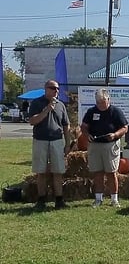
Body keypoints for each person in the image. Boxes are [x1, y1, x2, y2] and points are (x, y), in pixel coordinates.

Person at [80, 88, 128, 208]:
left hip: (110, 145)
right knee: (97, 173)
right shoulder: (91, 112)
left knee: (111, 172)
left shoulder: (116, 112)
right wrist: (87, 135)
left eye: (103, 102)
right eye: (98, 102)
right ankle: (98, 199)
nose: (101, 105)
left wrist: (115, 135)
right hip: (95, 145)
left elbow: (124, 127)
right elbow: (84, 126)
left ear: (108, 99)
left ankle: (114, 199)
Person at [28, 80, 71, 210]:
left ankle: (59, 200)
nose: (56, 91)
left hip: (57, 140)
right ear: (46, 89)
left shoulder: (61, 105)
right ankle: (41, 199)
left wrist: (68, 143)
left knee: (58, 171)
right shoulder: (36, 103)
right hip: (40, 140)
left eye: (57, 89)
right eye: (53, 88)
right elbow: (32, 121)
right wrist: (46, 110)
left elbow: (66, 125)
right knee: (41, 171)